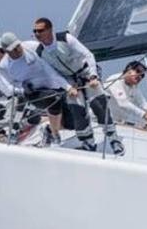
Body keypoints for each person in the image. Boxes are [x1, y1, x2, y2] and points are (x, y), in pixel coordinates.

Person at [33, 17, 124, 155]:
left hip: (86, 73)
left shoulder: (65, 38)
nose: (36, 34)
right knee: (77, 110)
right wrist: (68, 87)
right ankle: (88, 142)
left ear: (50, 30)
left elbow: (87, 54)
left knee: (99, 104)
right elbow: (53, 75)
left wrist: (93, 75)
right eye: (35, 31)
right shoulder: (40, 52)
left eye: (40, 30)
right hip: (69, 81)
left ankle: (114, 139)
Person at [0, 32, 74, 146]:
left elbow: (51, 70)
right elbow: (10, 86)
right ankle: (55, 136)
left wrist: (68, 86)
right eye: (13, 49)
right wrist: (22, 89)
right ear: (6, 51)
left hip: (54, 85)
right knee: (53, 99)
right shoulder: (4, 66)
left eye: (18, 45)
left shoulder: (33, 47)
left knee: (71, 124)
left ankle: (48, 129)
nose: (17, 49)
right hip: (33, 92)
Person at [105, 61, 147, 128]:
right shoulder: (115, 79)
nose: (140, 76)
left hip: (117, 124)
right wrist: (144, 115)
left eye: (142, 75)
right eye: (138, 71)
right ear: (129, 69)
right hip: (98, 122)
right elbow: (123, 103)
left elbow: (143, 103)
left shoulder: (134, 88)